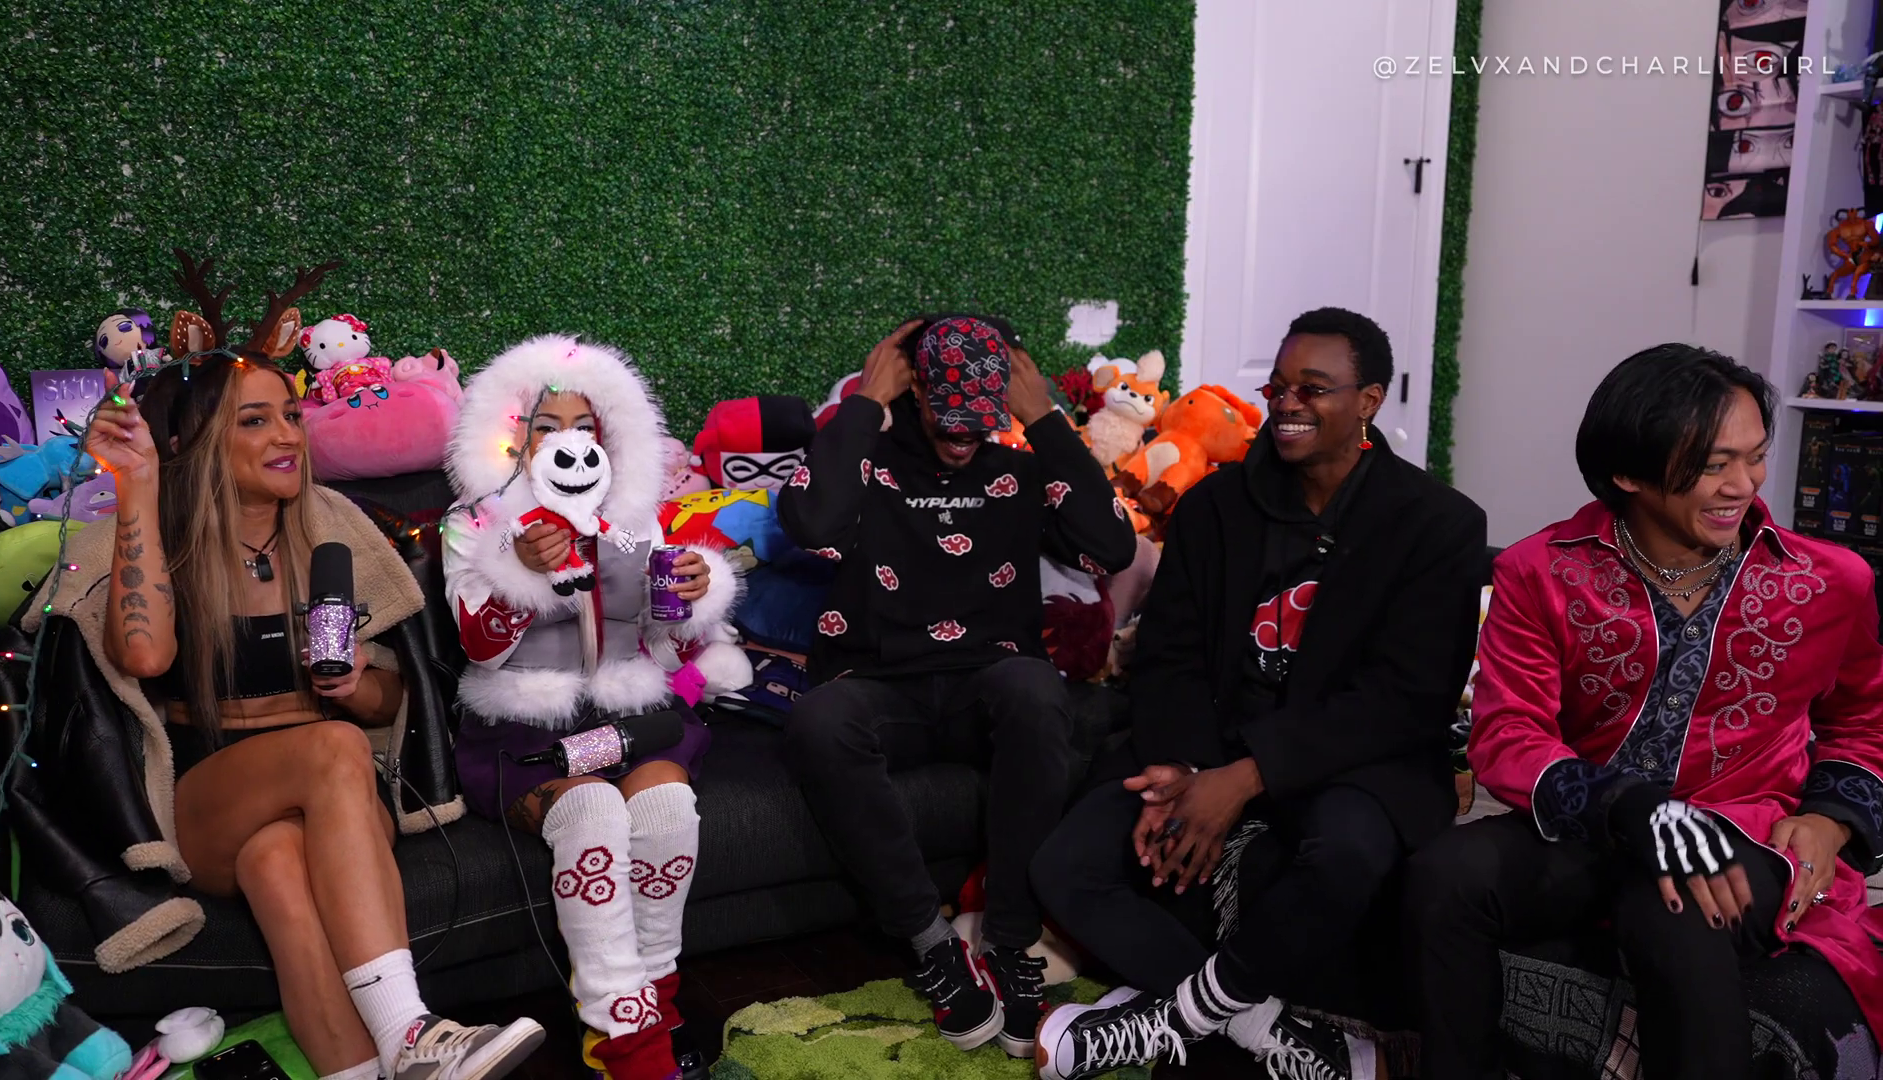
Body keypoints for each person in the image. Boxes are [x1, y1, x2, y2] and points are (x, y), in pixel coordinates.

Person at [42, 281, 544, 1080]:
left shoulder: (335, 531)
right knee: (331, 752)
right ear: (197, 441)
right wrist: (137, 487)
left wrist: (356, 688)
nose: (286, 436)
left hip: (339, 794)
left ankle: (367, 1068)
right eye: (255, 420)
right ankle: (412, 1031)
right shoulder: (154, 540)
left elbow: (397, 703)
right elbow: (143, 659)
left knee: (279, 861)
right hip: (209, 799)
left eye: (291, 416)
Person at [1027, 307, 1487, 1080]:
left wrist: (1246, 779)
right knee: (1064, 865)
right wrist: (1186, 772)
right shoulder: (1217, 506)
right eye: (1278, 386)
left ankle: (1174, 1021)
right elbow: (1168, 656)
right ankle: (1269, 1034)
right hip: (1208, 743)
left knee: (1347, 852)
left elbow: (1402, 702)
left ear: (1369, 401)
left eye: (1314, 388)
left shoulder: (1438, 525)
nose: (1287, 403)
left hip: (1355, 762)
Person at [1404, 344, 1883, 1080]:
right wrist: (1624, 805)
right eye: (1715, 464)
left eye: (1755, 457)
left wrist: (1832, 819)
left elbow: (1863, 720)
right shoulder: (1540, 572)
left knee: (1677, 901)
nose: (1744, 485)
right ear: (1629, 473)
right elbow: (1507, 732)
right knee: (1446, 873)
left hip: (1745, 829)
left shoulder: (1830, 581)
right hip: (1597, 825)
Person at [777, 315, 1137, 1057]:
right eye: (950, 418)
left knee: (1036, 690)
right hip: (881, 686)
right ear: (913, 390)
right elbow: (810, 523)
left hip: (989, 684)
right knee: (819, 719)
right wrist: (864, 404)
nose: (965, 436)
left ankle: (1009, 940)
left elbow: (1112, 545)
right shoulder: (869, 460)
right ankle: (934, 946)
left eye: (982, 419)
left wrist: (1044, 419)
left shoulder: (1020, 469)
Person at [442, 335, 750, 1080]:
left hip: (630, 714)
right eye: (546, 427)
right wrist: (520, 570)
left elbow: (665, 644)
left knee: (667, 807)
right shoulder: (472, 522)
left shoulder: (633, 520)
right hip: (525, 727)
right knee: (593, 813)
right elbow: (479, 646)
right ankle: (626, 1041)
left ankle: (655, 1009)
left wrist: (692, 593)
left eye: (585, 427)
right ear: (511, 436)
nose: (568, 443)